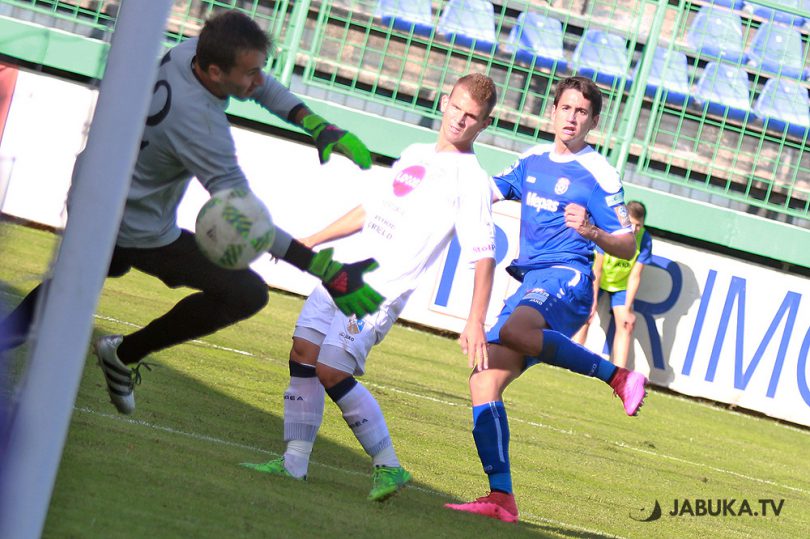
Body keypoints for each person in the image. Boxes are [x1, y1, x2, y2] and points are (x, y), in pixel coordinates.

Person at [0, 11, 384, 415]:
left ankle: (106, 353)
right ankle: (117, 356)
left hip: (101, 187)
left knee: (66, 292)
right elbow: (246, 218)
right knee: (243, 294)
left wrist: (315, 124)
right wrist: (326, 270)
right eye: (249, 73)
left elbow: (262, 85)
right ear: (216, 72)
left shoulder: (192, 52)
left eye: (259, 69)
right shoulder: (200, 125)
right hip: (128, 225)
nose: (258, 81)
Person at [240, 73, 499, 502]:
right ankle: (293, 463)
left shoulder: (472, 180)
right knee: (303, 352)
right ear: (443, 102)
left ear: (484, 124)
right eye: (456, 107)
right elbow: (370, 210)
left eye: (471, 116)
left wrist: (475, 320)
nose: (459, 119)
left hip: (380, 289)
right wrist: (310, 241)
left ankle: (388, 465)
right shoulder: (416, 153)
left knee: (331, 369)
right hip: (345, 272)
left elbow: (483, 255)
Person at [444, 76, 649, 523]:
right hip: (531, 284)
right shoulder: (533, 159)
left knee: (516, 328)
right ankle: (501, 498)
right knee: (482, 381)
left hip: (568, 278)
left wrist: (591, 231)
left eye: (582, 112)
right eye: (566, 108)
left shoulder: (598, 173)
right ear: (552, 111)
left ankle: (617, 376)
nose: (572, 118)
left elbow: (626, 244)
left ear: (594, 122)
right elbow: (489, 191)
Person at [573, 200, 653, 368]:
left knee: (627, 324)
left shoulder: (645, 239)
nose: (635, 229)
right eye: (631, 224)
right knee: (586, 314)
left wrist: (628, 308)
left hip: (621, 286)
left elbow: (635, 276)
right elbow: (597, 269)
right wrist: (592, 301)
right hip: (598, 278)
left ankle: (619, 372)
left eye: (639, 225)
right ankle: (571, 361)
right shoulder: (611, 229)